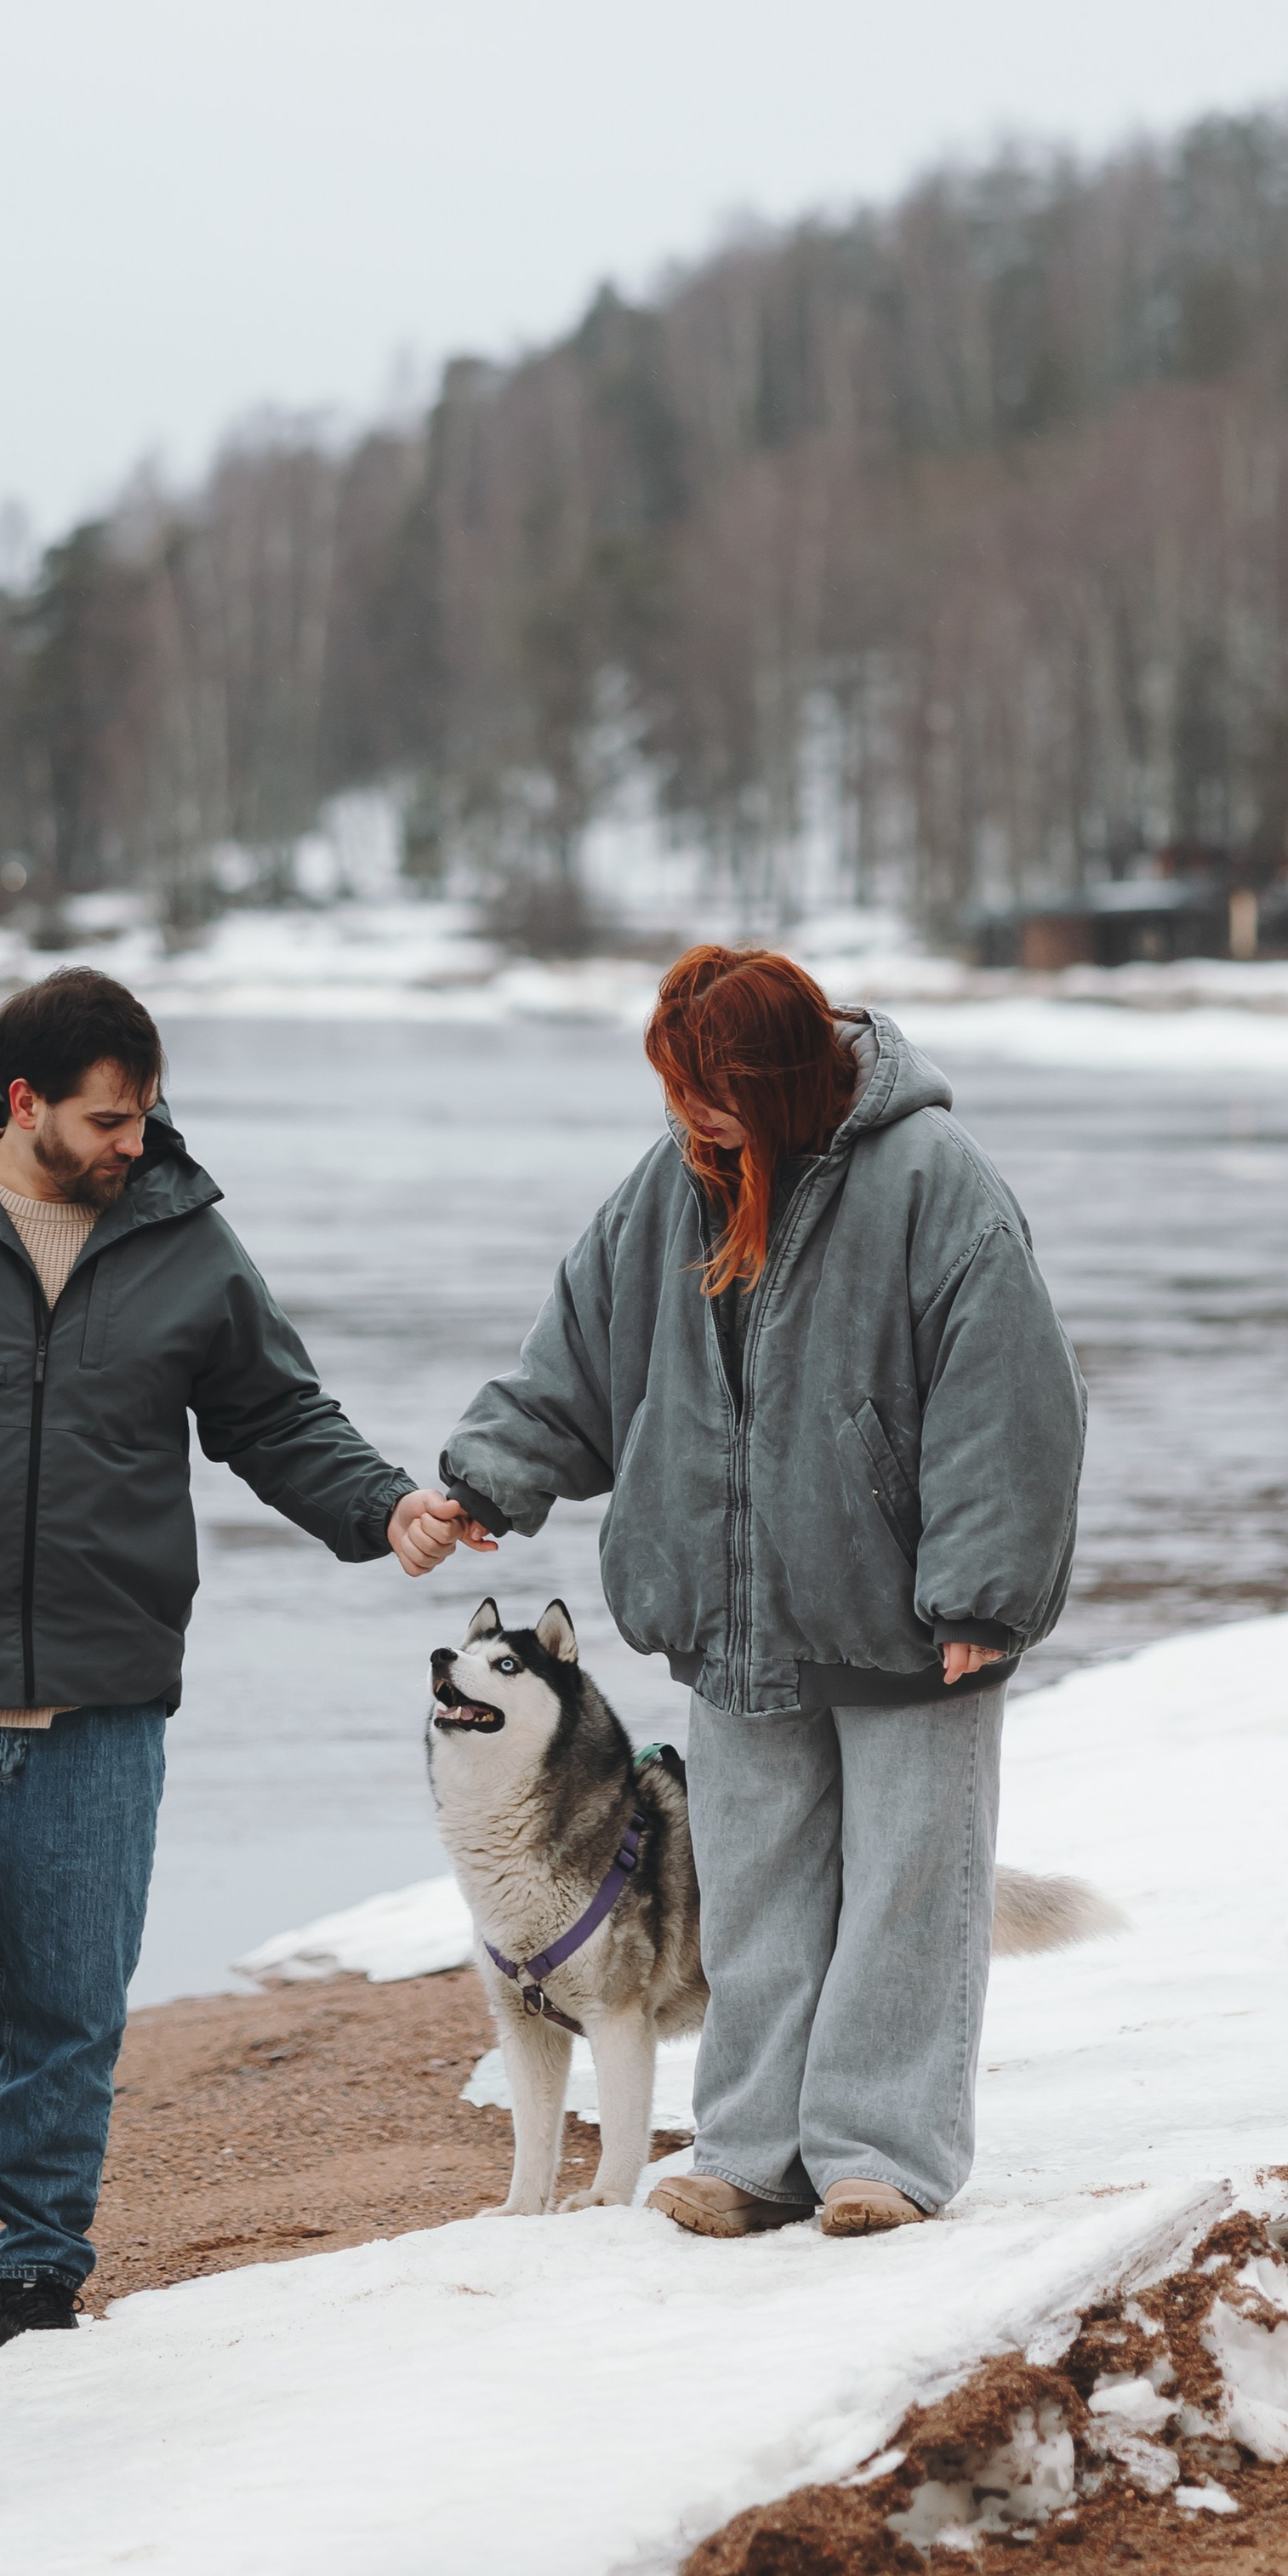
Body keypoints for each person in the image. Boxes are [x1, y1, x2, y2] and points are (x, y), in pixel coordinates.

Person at [0, 967, 480, 2427]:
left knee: (69, 2010)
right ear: (25, 1106)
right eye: (108, 1117)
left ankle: (37, 2290)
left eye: (145, 1112)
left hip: (105, 1701)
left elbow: (274, 1412)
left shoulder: (183, 1241)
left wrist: (382, 1506)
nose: (136, 1138)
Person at [439, 945, 1086, 2237]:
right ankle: (751, 2153)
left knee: (909, 1883)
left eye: (711, 1091)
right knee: (754, 1893)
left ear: (783, 1077)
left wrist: (979, 1594)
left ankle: (879, 2156)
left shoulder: (934, 1183)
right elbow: (576, 1352)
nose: (690, 1117)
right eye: (677, 1091)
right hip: (731, 1614)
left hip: (906, 1618)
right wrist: (483, 1481)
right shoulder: (669, 1187)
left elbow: (1011, 1397)